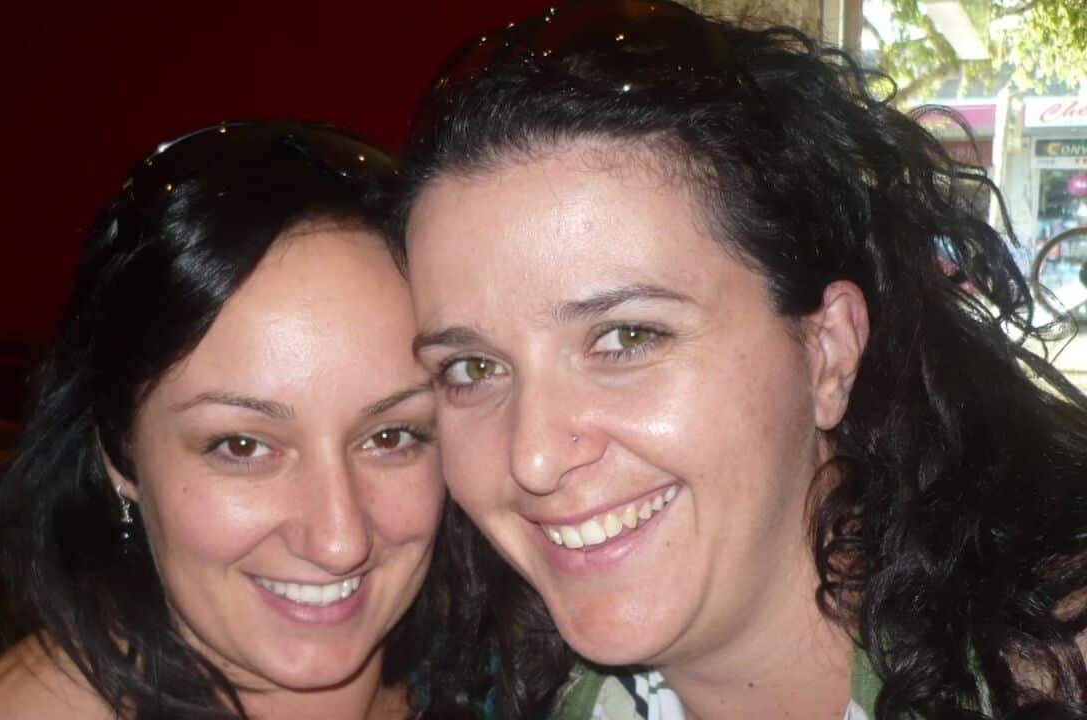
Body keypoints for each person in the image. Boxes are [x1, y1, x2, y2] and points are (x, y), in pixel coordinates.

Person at [397, 2, 1087, 718]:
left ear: (828, 353)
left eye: (628, 338)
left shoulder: (1050, 677)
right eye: (473, 369)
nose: (533, 458)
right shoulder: (512, 691)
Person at [0, 121, 462, 720]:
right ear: (119, 451)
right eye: (244, 446)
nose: (339, 542)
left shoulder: (498, 665)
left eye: (391, 437)